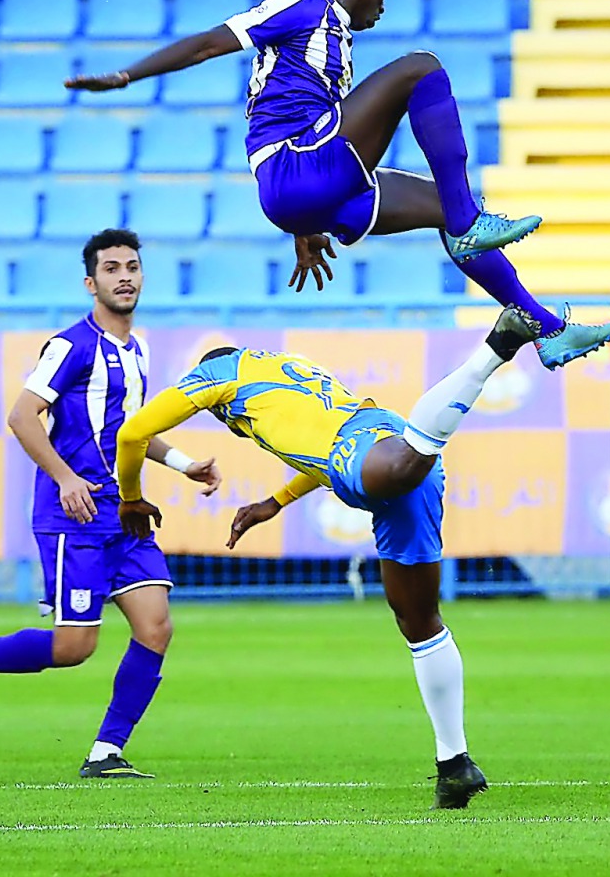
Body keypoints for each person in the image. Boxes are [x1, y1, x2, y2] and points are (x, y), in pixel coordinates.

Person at [65, 0, 610, 370]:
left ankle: (546, 329)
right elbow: (211, 43)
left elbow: (286, 108)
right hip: (296, 167)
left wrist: (303, 228)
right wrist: (127, 75)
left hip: (313, 186)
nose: (383, 4)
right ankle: (469, 219)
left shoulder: (330, 43)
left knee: (439, 210)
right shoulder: (301, 4)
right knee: (421, 68)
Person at [113, 303, 541, 809]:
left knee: (404, 466)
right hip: (378, 443)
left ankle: (492, 351)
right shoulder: (280, 369)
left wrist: (130, 496)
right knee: (419, 620)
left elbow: (132, 433)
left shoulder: (219, 374)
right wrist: (273, 503)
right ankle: (454, 764)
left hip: (368, 449)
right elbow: (314, 445)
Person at [0, 228, 221, 780]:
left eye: (132, 266)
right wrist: (63, 478)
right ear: (91, 282)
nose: (125, 275)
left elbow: (130, 430)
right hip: (73, 515)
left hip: (123, 512)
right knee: (73, 647)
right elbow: (21, 416)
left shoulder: (137, 349)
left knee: (156, 628)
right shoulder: (70, 346)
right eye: (111, 268)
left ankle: (107, 751)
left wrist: (183, 464)